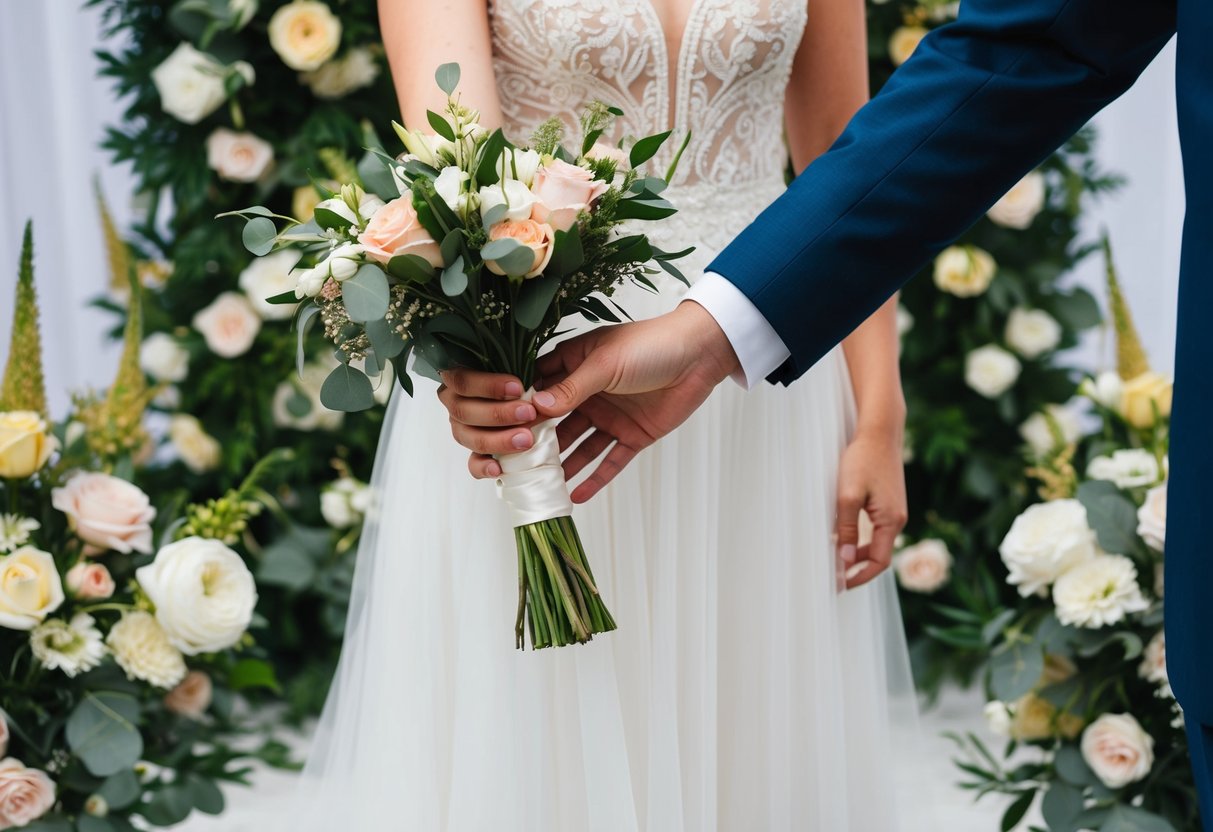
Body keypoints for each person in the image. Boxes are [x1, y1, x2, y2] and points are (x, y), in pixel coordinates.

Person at [440, 0, 1213, 823]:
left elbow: (837, 128)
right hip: (606, 353)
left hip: (771, 382)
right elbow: (1037, 40)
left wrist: (877, 416)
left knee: (759, 729)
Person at [286, 1, 926, 829]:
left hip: (767, 359)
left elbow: (851, 167)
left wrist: (878, 416)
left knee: (753, 712)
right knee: (553, 730)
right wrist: (481, 367)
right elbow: (464, 188)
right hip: (558, 366)